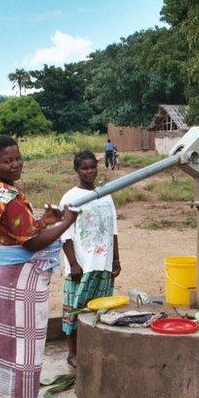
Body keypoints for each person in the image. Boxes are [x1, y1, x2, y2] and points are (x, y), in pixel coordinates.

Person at [0, 135, 78, 398]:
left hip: (3, 276)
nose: (15, 164)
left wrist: (44, 219)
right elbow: (32, 242)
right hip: (20, 281)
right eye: (7, 161)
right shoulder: (8, 197)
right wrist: (66, 223)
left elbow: (20, 228)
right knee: (27, 351)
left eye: (18, 158)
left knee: (12, 349)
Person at [59, 151, 121, 367]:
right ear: (76, 170)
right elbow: (64, 234)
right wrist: (73, 263)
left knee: (99, 309)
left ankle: (94, 349)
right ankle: (72, 353)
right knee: (74, 309)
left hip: (102, 262)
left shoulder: (106, 195)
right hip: (81, 265)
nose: (90, 171)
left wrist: (115, 259)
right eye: (84, 168)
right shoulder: (70, 197)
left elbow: (113, 229)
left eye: (93, 167)